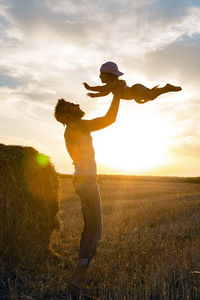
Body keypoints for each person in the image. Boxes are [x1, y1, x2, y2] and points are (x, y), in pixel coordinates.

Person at [54, 82, 123, 297]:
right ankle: (78, 277)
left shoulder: (74, 128)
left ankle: (81, 272)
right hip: (86, 181)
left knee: (91, 228)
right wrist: (117, 95)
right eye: (71, 105)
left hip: (84, 180)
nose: (76, 104)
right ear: (66, 115)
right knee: (95, 229)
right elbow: (109, 120)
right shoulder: (76, 126)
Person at [83, 61, 182, 104]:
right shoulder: (113, 84)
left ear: (109, 75)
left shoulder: (113, 84)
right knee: (150, 96)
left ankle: (166, 88)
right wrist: (93, 94)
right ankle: (166, 88)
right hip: (135, 92)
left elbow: (104, 90)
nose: (99, 76)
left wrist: (90, 88)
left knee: (150, 96)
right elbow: (105, 92)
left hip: (135, 91)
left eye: (102, 74)